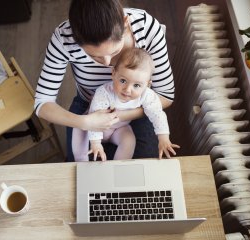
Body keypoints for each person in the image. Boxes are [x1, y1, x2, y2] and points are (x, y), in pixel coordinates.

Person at [34, 0, 175, 161]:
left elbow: (165, 95)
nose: (108, 64)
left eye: (115, 51)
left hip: (137, 106)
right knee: (81, 169)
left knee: (145, 167)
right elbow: (42, 103)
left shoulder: (146, 28)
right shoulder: (64, 39)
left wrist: (120, 116)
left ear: (125, 24)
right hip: (88, 105)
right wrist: (85, 122)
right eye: (95, 56)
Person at [73, 48, 179, 161]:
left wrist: (163, 138)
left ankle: (119, 165)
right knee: (79, 128)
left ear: (147, 85)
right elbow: (95, 118)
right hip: (94, 126)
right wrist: (96, 143)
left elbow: (157, 114)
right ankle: (81, 160)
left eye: (136, 85)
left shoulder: (147, 95)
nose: (127, 90)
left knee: (129, 140)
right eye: (123, 81)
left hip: (119, 128)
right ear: (113, 74)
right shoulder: (104, 92)